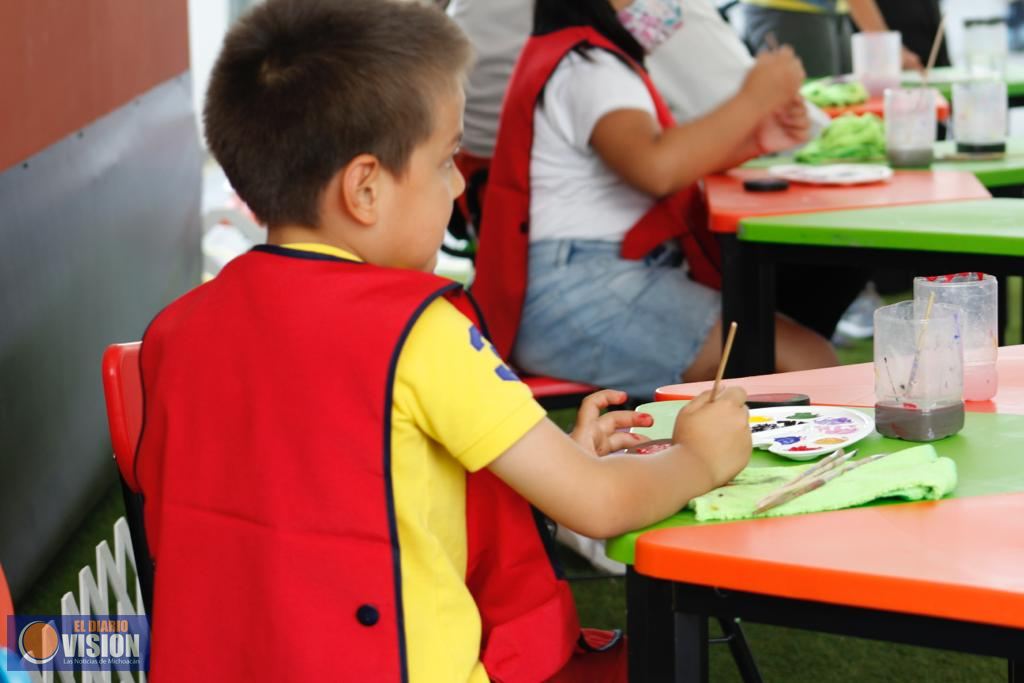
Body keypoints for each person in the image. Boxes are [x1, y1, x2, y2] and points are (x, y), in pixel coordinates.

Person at [133, 0, 753, 680]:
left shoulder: (176, 330)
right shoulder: (420, 331)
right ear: (364, 188)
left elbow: (349, 484)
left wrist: (558, 457)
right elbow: (600, 505)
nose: (459, 185)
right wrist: (699, 457)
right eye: (446, 159)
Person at [472, 0, 841, 402]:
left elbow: (664, 157)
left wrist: (756, 138)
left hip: (589, 282)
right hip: (579, 294)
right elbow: (656, 168)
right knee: (805, 359)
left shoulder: (589, 56)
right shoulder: (589, 65)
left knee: (796, 354)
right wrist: (754, 98)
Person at [741, 0, 926, 77]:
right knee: (814, 114)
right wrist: (886, 47)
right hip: (789, 12)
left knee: (843, 106)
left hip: (832, 11)